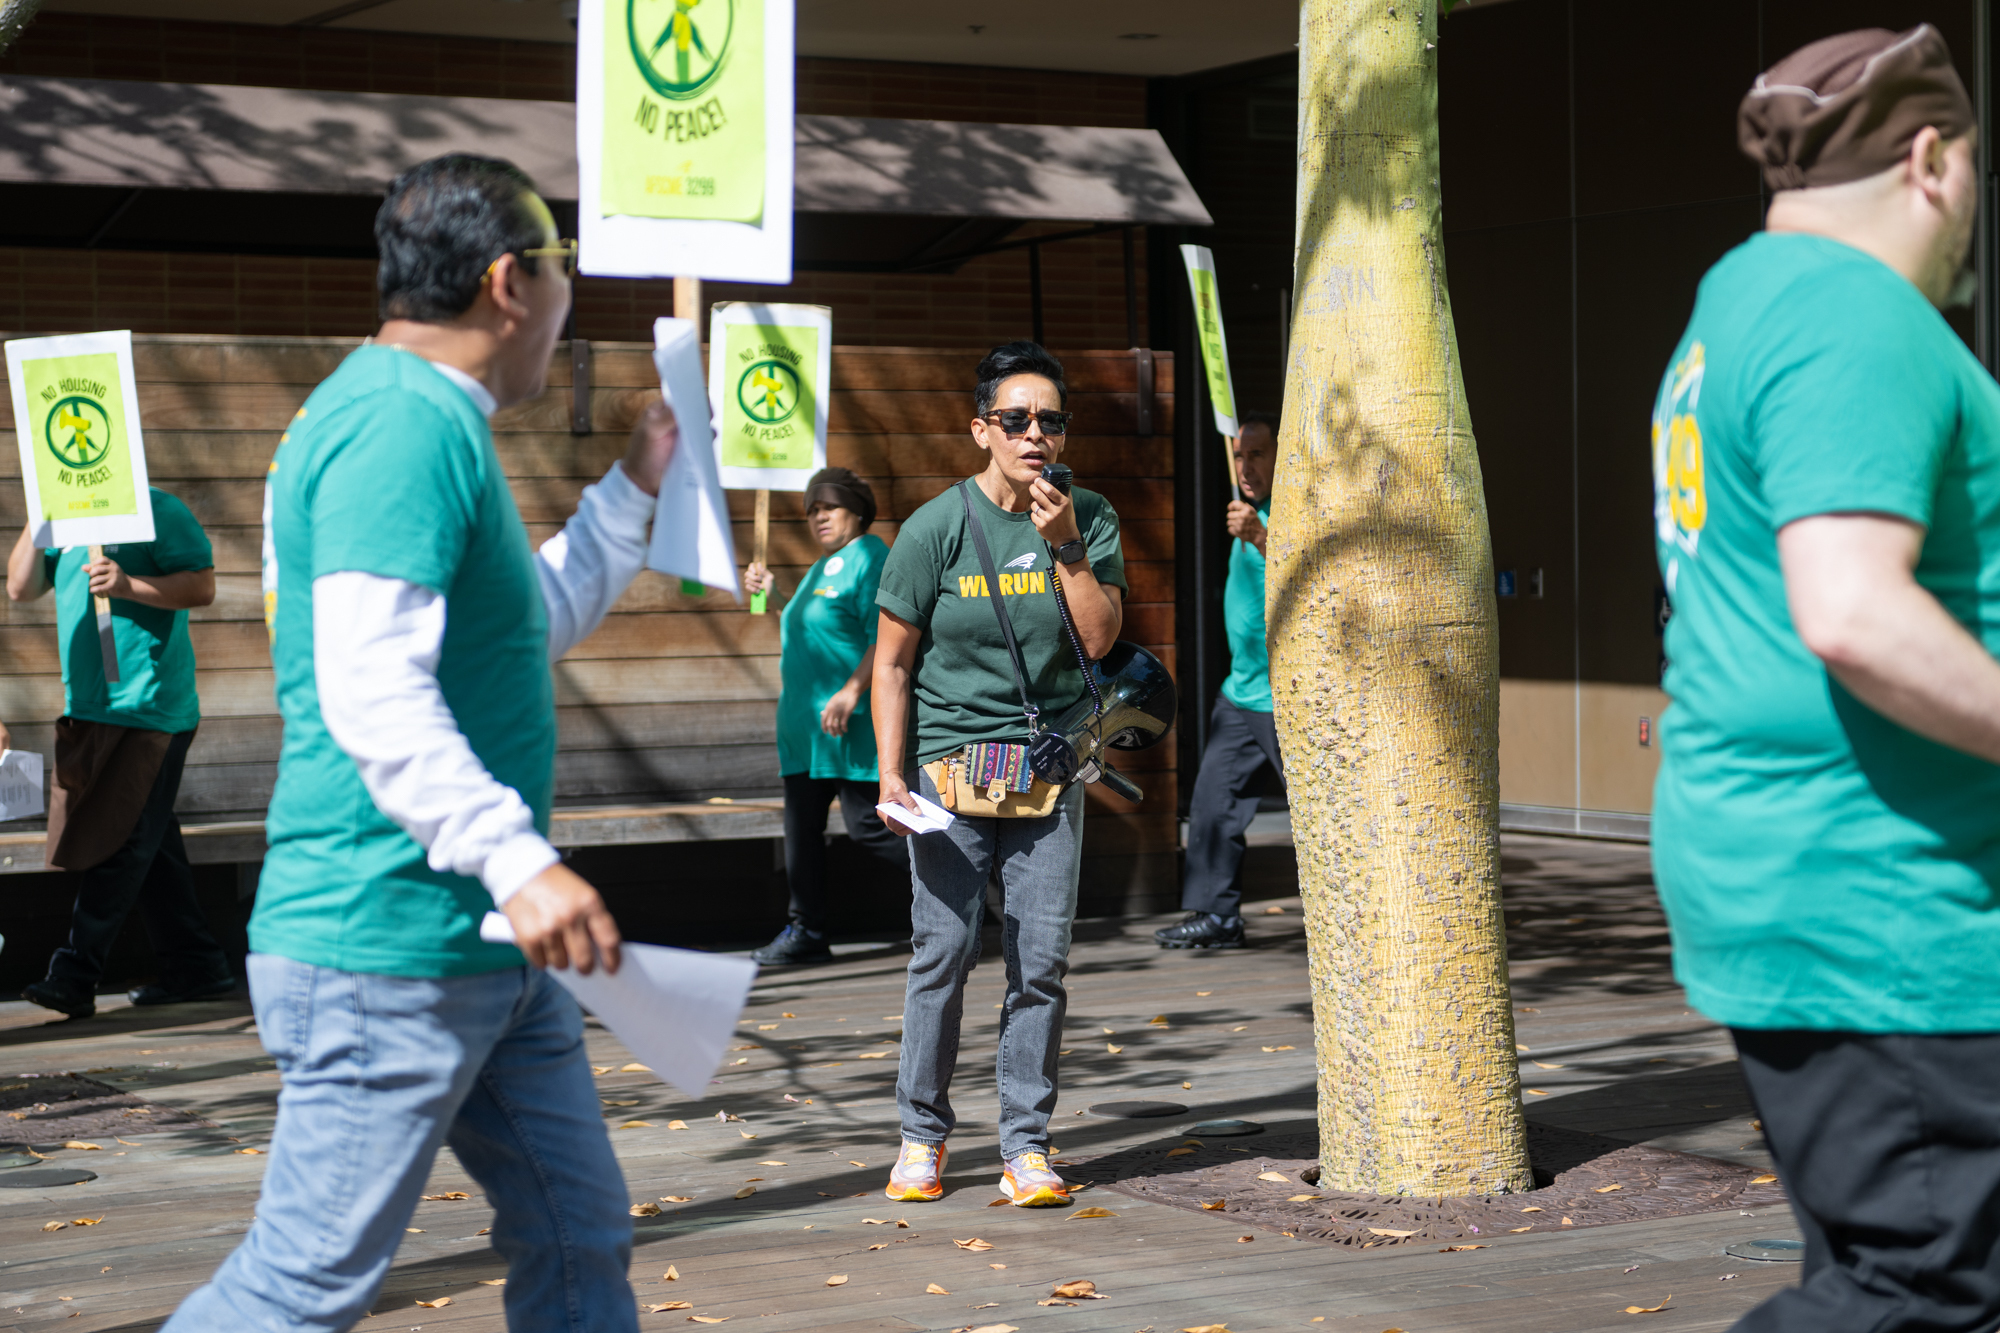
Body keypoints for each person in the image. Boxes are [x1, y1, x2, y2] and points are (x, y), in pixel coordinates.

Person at [163, 153, 676, 1332]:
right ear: (508, 281)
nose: (569, 296)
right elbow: (370, 686)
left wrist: (632, 487)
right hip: (383, 943)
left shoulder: (419, 415)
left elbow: (517, 627)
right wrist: (518, 856)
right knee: (296, 1290)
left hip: (477, 945)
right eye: (563, 267)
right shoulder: (398, 426)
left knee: (576, 1234)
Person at [1650, 27, 2000, 1332]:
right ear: (1931, 160)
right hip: (1889, 907)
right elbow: (1852, 612)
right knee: (1922, 1299)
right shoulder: (1856, 314)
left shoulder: (1736, 298)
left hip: (1812, 883)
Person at [873, 340, 1126, 1207]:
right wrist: (888, 774)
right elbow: (893, 663)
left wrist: (1067, 550)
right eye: (1016, 420)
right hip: (948, 774)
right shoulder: (935, 527)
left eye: (1050, 420)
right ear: (981, 429)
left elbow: (1097, 641)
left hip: (1048, 770)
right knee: (941, 953)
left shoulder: (1086, 514)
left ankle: (1025, 1144)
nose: (1035, 435)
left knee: (1041, 961)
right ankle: (921, 1134)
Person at [8, 488, 233, 1019]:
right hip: (90, 706)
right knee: (150, 842)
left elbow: (202, 587)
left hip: (151, 707)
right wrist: (41, 505)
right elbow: (21, 587)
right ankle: (196, 965)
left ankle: (74, 973)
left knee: (123, 840)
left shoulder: (159, 509)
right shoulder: (59, 515)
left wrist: (129, 584)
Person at [743, 466, 909, 966]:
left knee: (871, 826)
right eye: (812, 510)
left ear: (856, 512)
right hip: (803, 728)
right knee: (801, 830)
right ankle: (806, 931)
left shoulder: (871, 558)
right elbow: (810, 628)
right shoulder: (823, 566)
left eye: (828, 509)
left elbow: (885, 636)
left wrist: (851, 691)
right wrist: (772, 595)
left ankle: (965, 877)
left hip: (850, 724)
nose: (818, 518)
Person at [1157, 410, 1280, 950]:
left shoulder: (1294, 514)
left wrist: (1260, 536)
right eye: (1239, 454)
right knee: (1211, 803)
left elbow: (1324, 591)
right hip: (1241, 691)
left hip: (1288, 698)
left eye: (1258, 454)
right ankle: (1218, 917)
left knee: (1327, 811)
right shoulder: (1245, 510)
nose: (1246, 465)